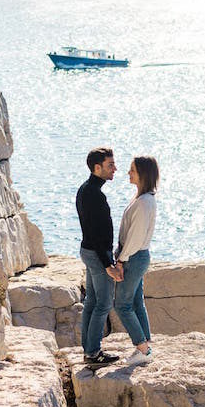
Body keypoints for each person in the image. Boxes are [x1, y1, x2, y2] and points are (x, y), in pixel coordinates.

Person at [76, 145, 124, 368]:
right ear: (97, 168)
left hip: (88, 252)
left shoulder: (86, 190)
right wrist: (108, 264)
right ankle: (93, 353)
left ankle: (88, 350)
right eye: (110, 165)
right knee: (103, 304)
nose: (115, 168)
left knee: (91, 303)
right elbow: (97, 234)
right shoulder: (94, 194)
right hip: (96, 255)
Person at [114, 155, 159, 366]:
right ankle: (146, 345)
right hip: (137, 256)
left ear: (142, 174)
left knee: (122, 305)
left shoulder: (143, 203)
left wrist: (121, 260)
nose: (128, 173)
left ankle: (143, 349)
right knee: (135, 301)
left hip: (133, 256)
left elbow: (135, 237)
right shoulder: (144, 199)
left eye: (132, 170)